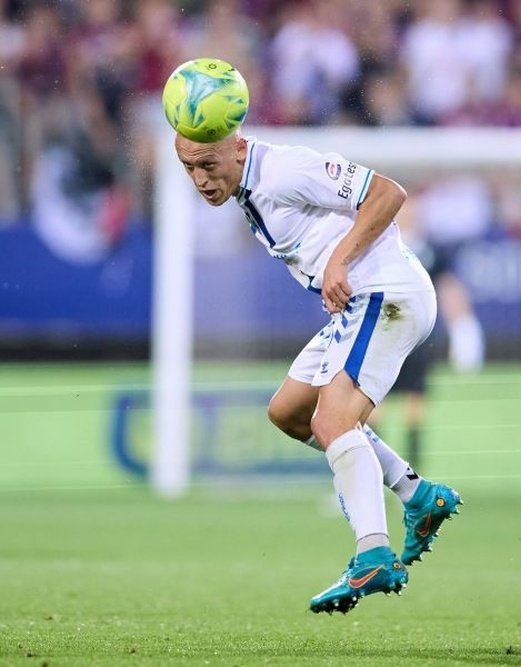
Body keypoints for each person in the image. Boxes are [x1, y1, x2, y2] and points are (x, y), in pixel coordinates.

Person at [172, 117, 462, 615]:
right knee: (289, 412)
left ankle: (372, 552)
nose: (200, 179)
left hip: (384, 292)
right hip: (358, 303)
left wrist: (339, 261)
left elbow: (388, 194)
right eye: (188, 167)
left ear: (238, 148)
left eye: (208, 164)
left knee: (333, 420)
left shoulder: (284, 170)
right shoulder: (247, 188)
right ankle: (417, 494)